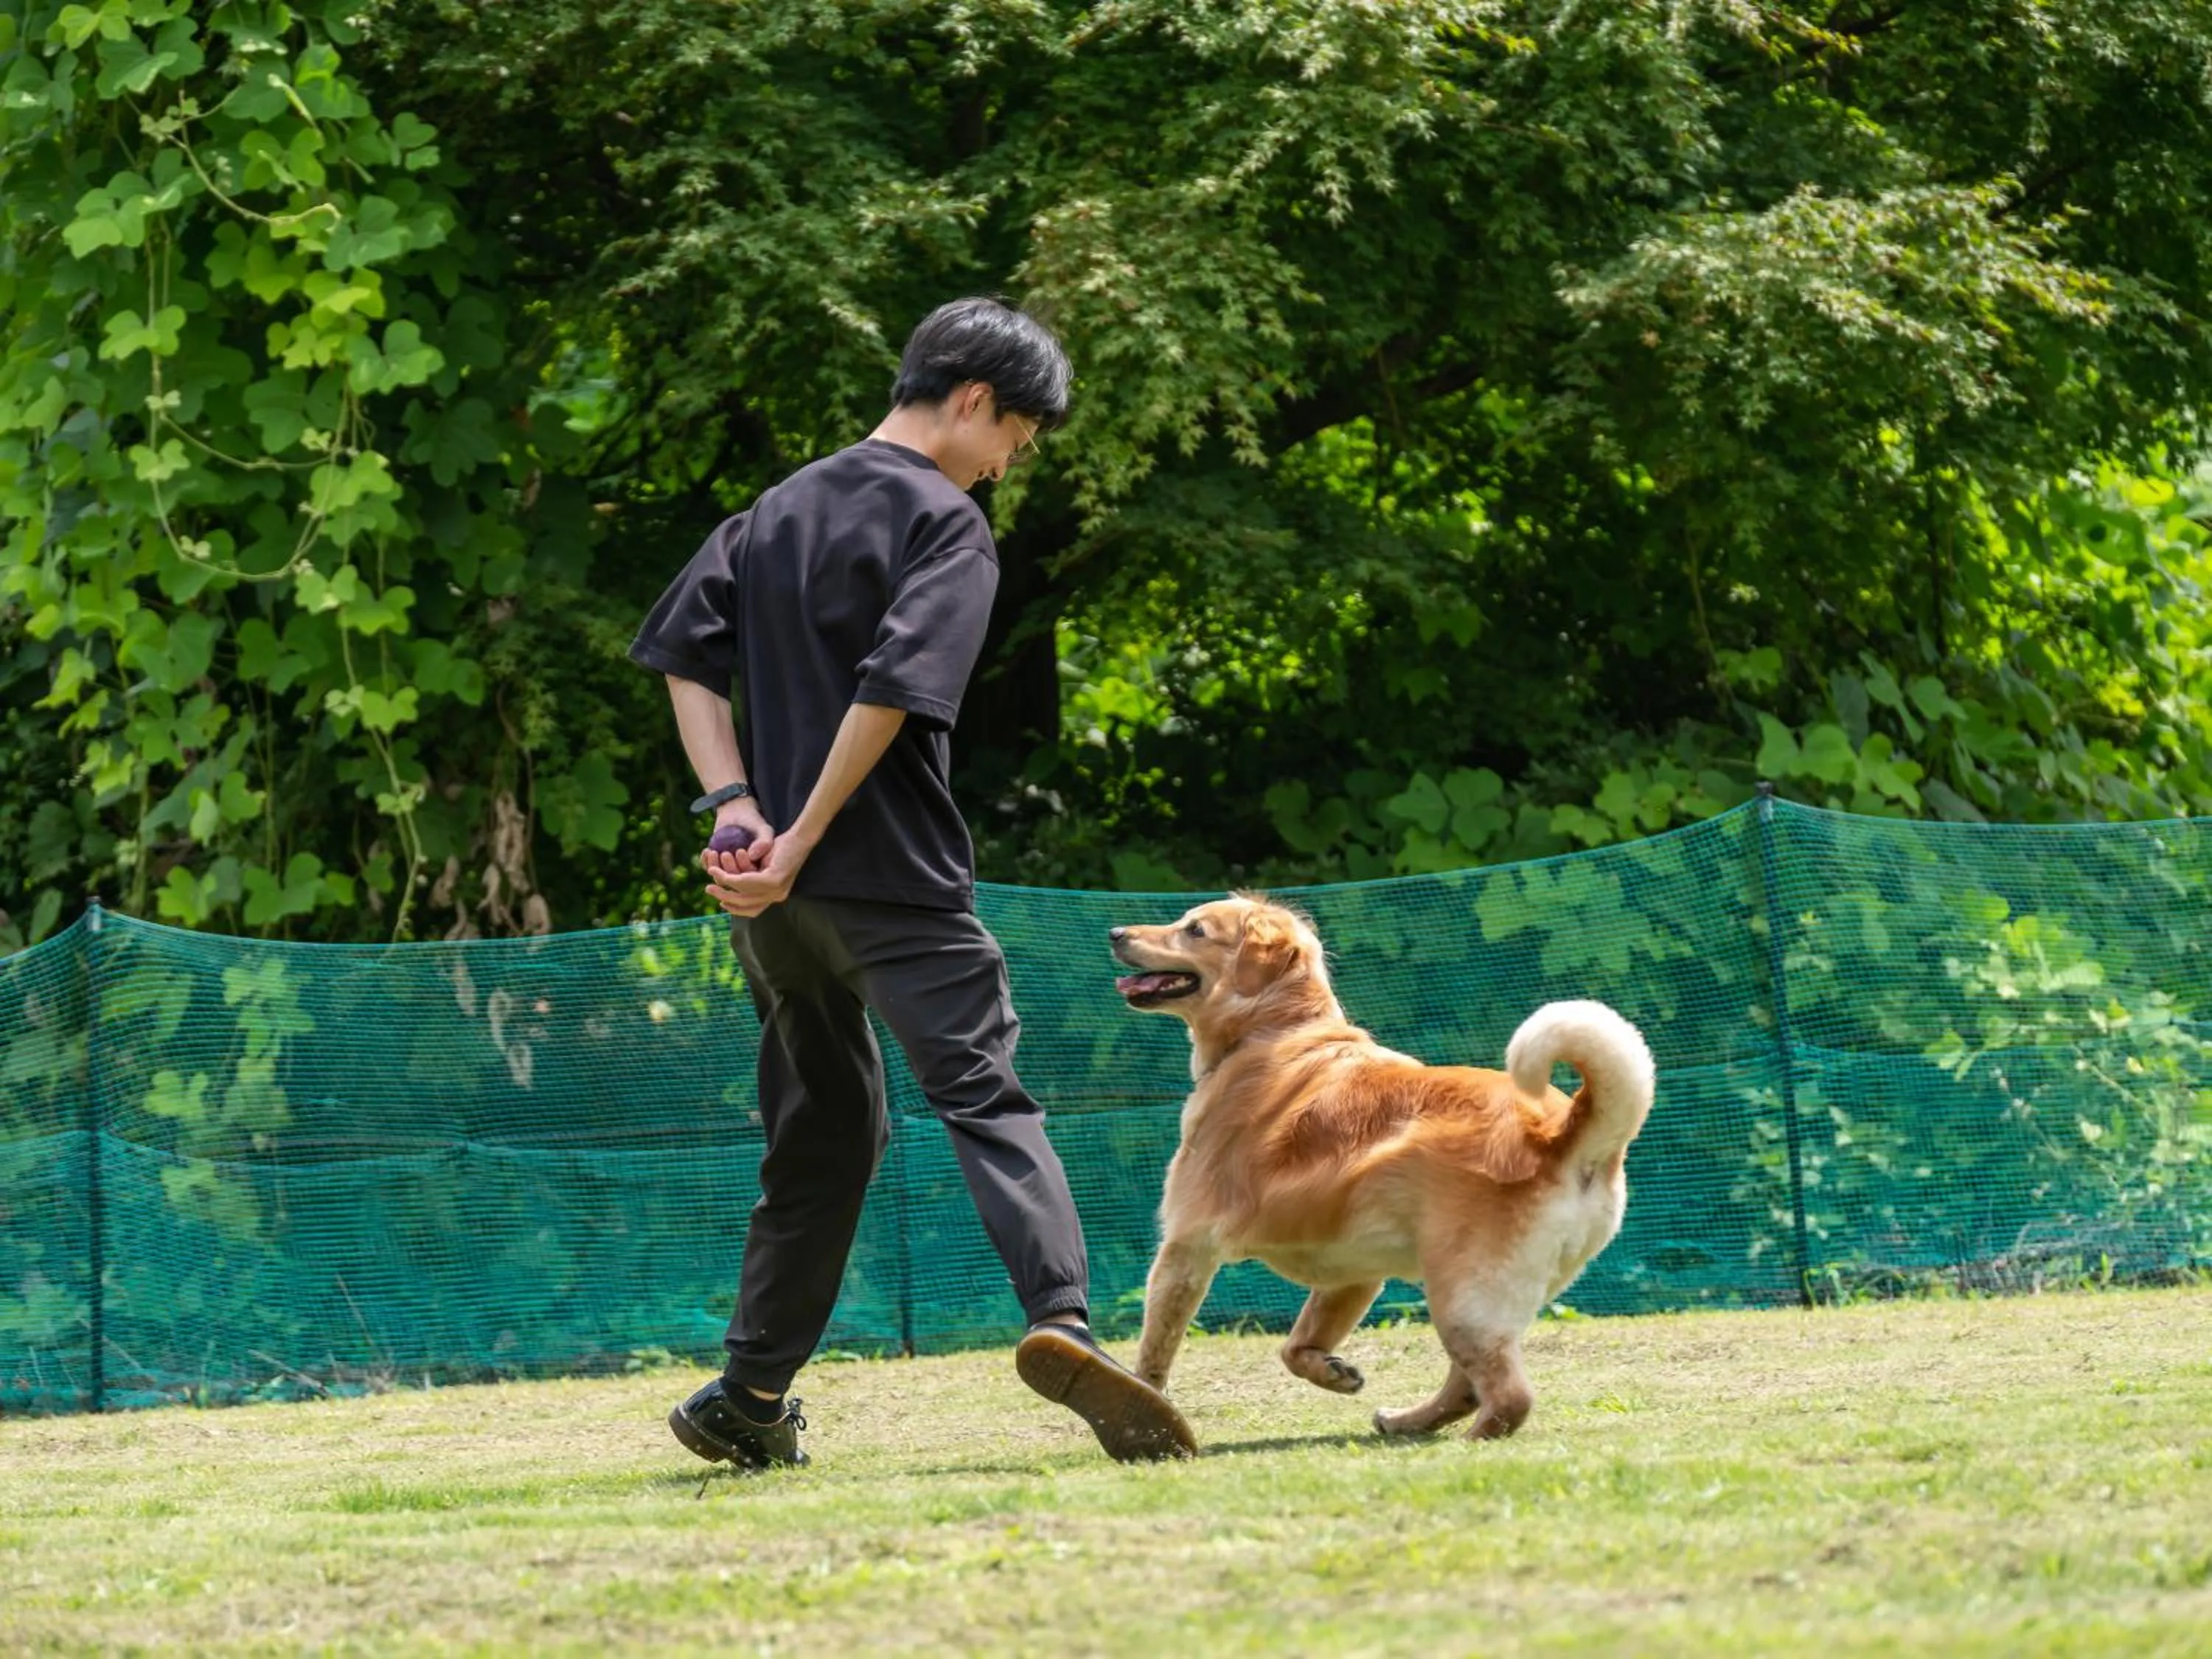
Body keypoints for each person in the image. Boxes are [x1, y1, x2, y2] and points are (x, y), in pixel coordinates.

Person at [627, 297, 1196, 1470]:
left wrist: (741, 812)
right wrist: (803, 833)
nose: (1005, 470)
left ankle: (749, 1392)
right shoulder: (946, 526)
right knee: (985, 1098)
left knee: (820, 1136)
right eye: (1016, 444)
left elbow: (683, 654)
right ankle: (1064, 1321)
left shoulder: (777, 508)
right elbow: (892, 693)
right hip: (892, 882)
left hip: (778, 910)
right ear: (977, 400)